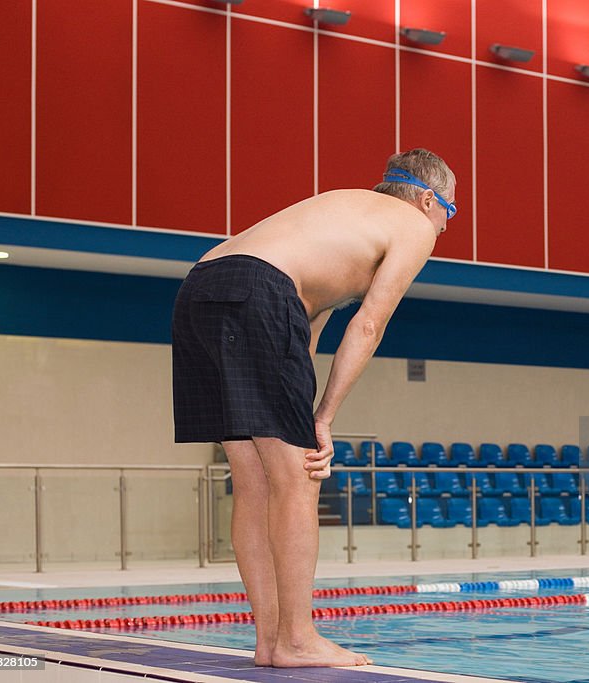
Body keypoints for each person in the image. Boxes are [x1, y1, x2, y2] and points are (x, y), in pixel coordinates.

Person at [171, 149, 456, 668]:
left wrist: (305, 415)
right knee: (299, 477)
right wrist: (322, 419)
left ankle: (270, 641)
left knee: (255, 479)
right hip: (261, 290)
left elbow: (303, 326)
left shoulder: (343, 214)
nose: (444, 225)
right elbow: (368, 326)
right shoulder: (413, 226)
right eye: (450, 212)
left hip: (201, 285)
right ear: (426, 197)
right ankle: (297, 639)